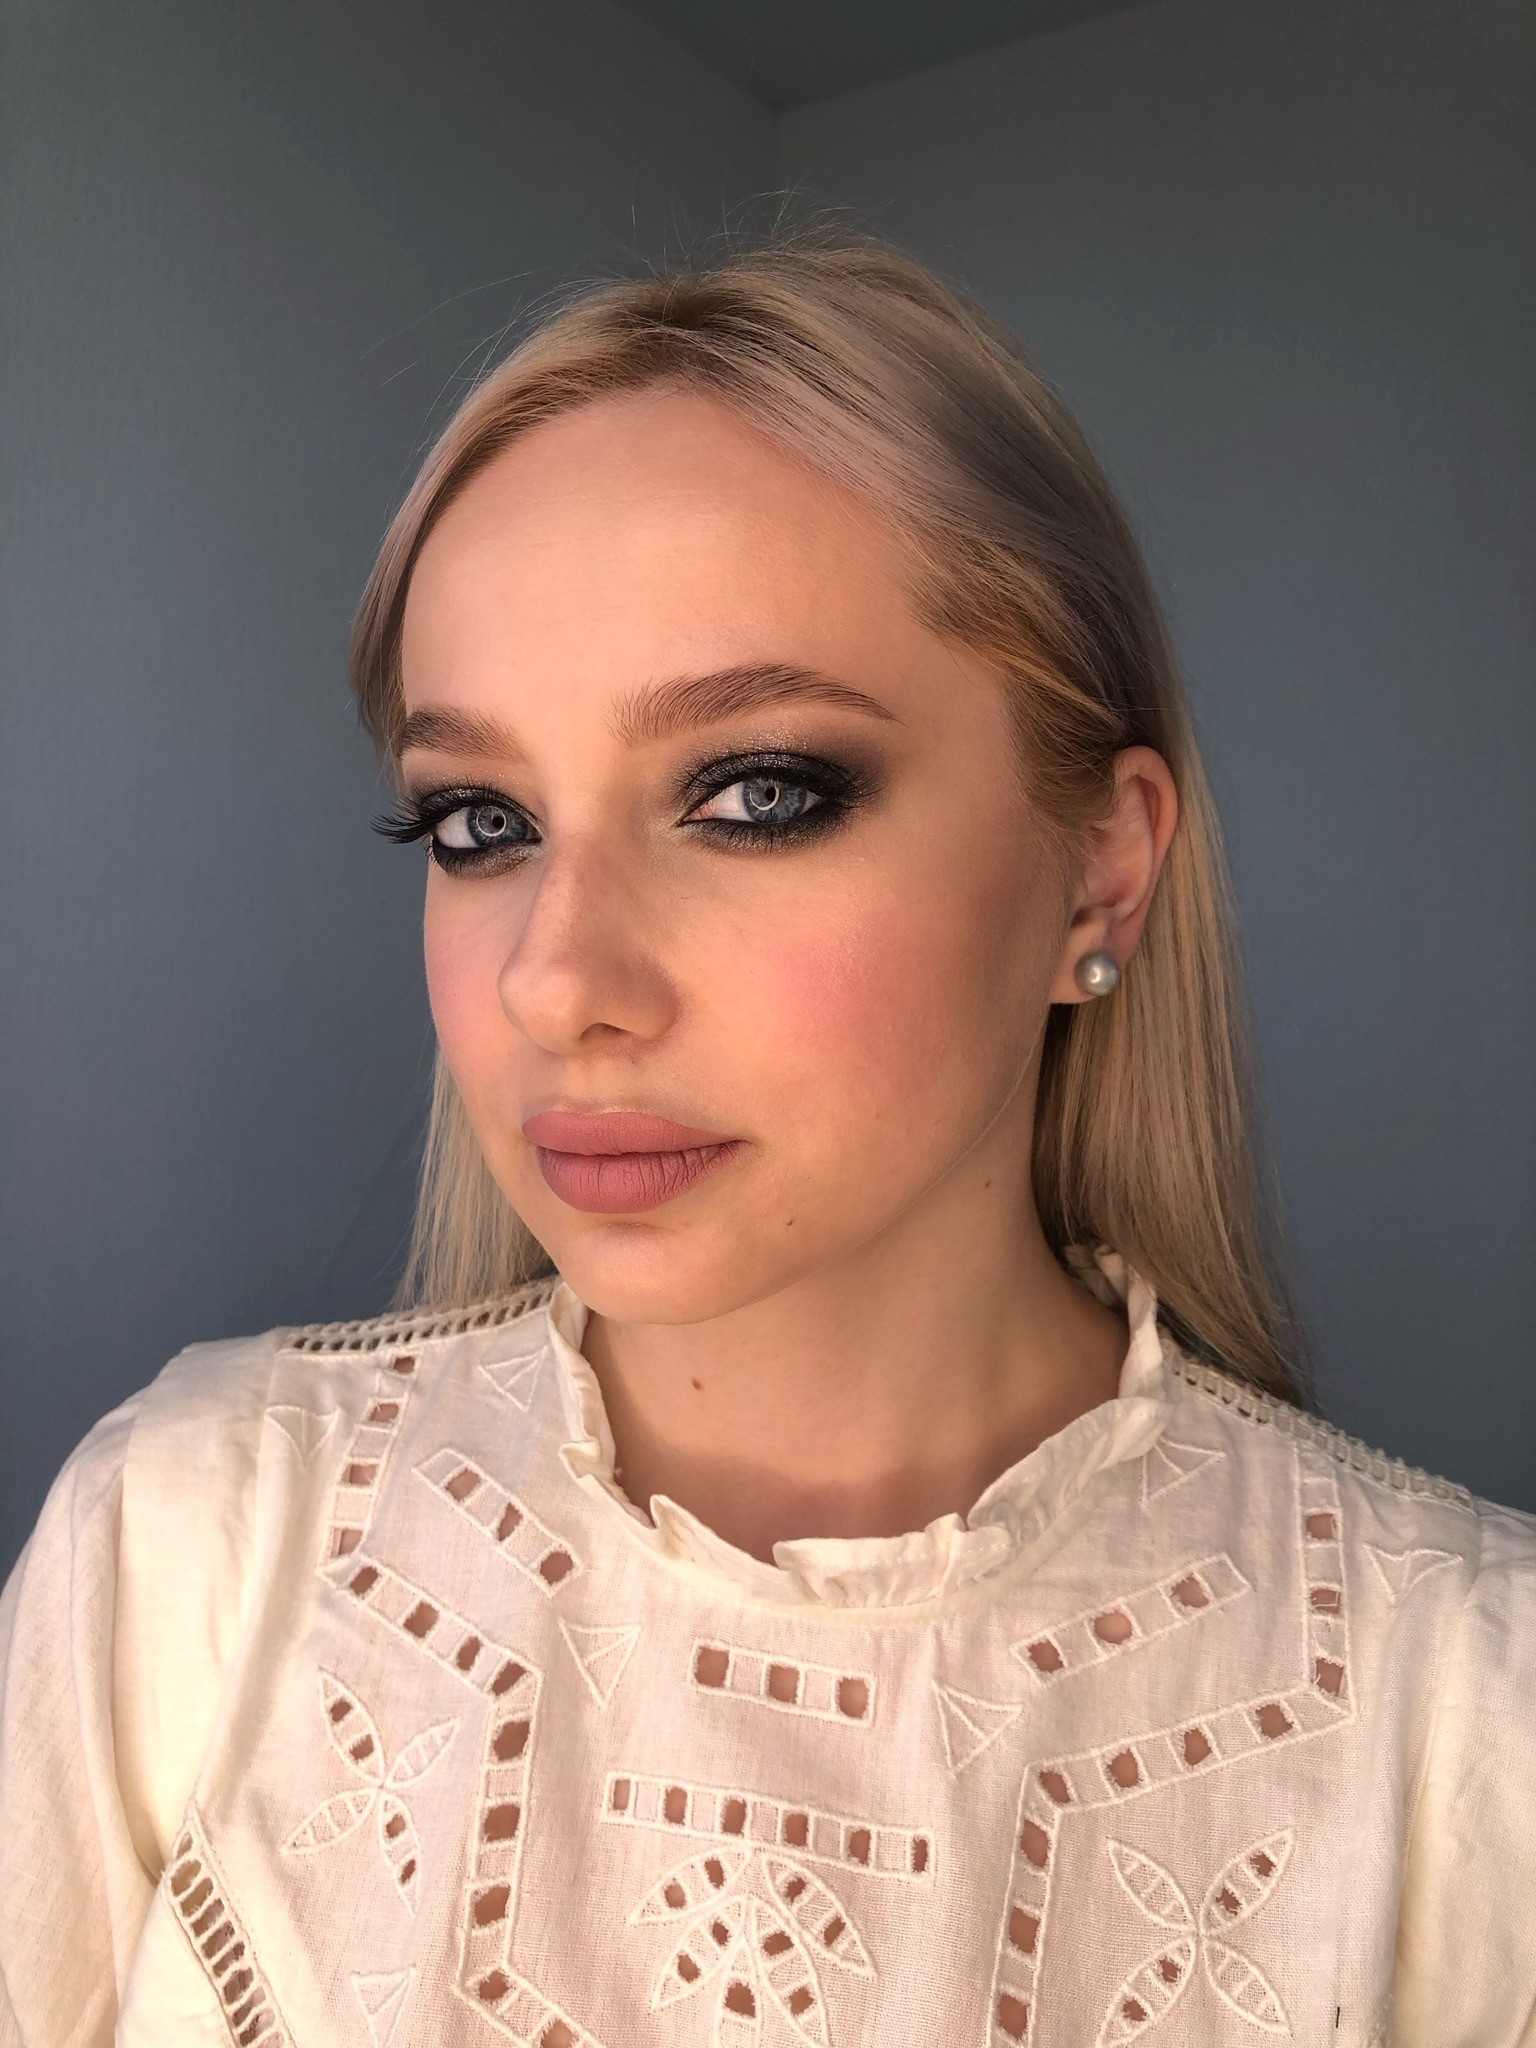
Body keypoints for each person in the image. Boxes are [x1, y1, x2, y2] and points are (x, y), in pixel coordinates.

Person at [1, 234, 1531, 2048]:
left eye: (756, 794)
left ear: (1100, 869)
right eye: (480, 820)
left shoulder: (1467, 1712)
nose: (556, 982)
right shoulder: (197, 1536)